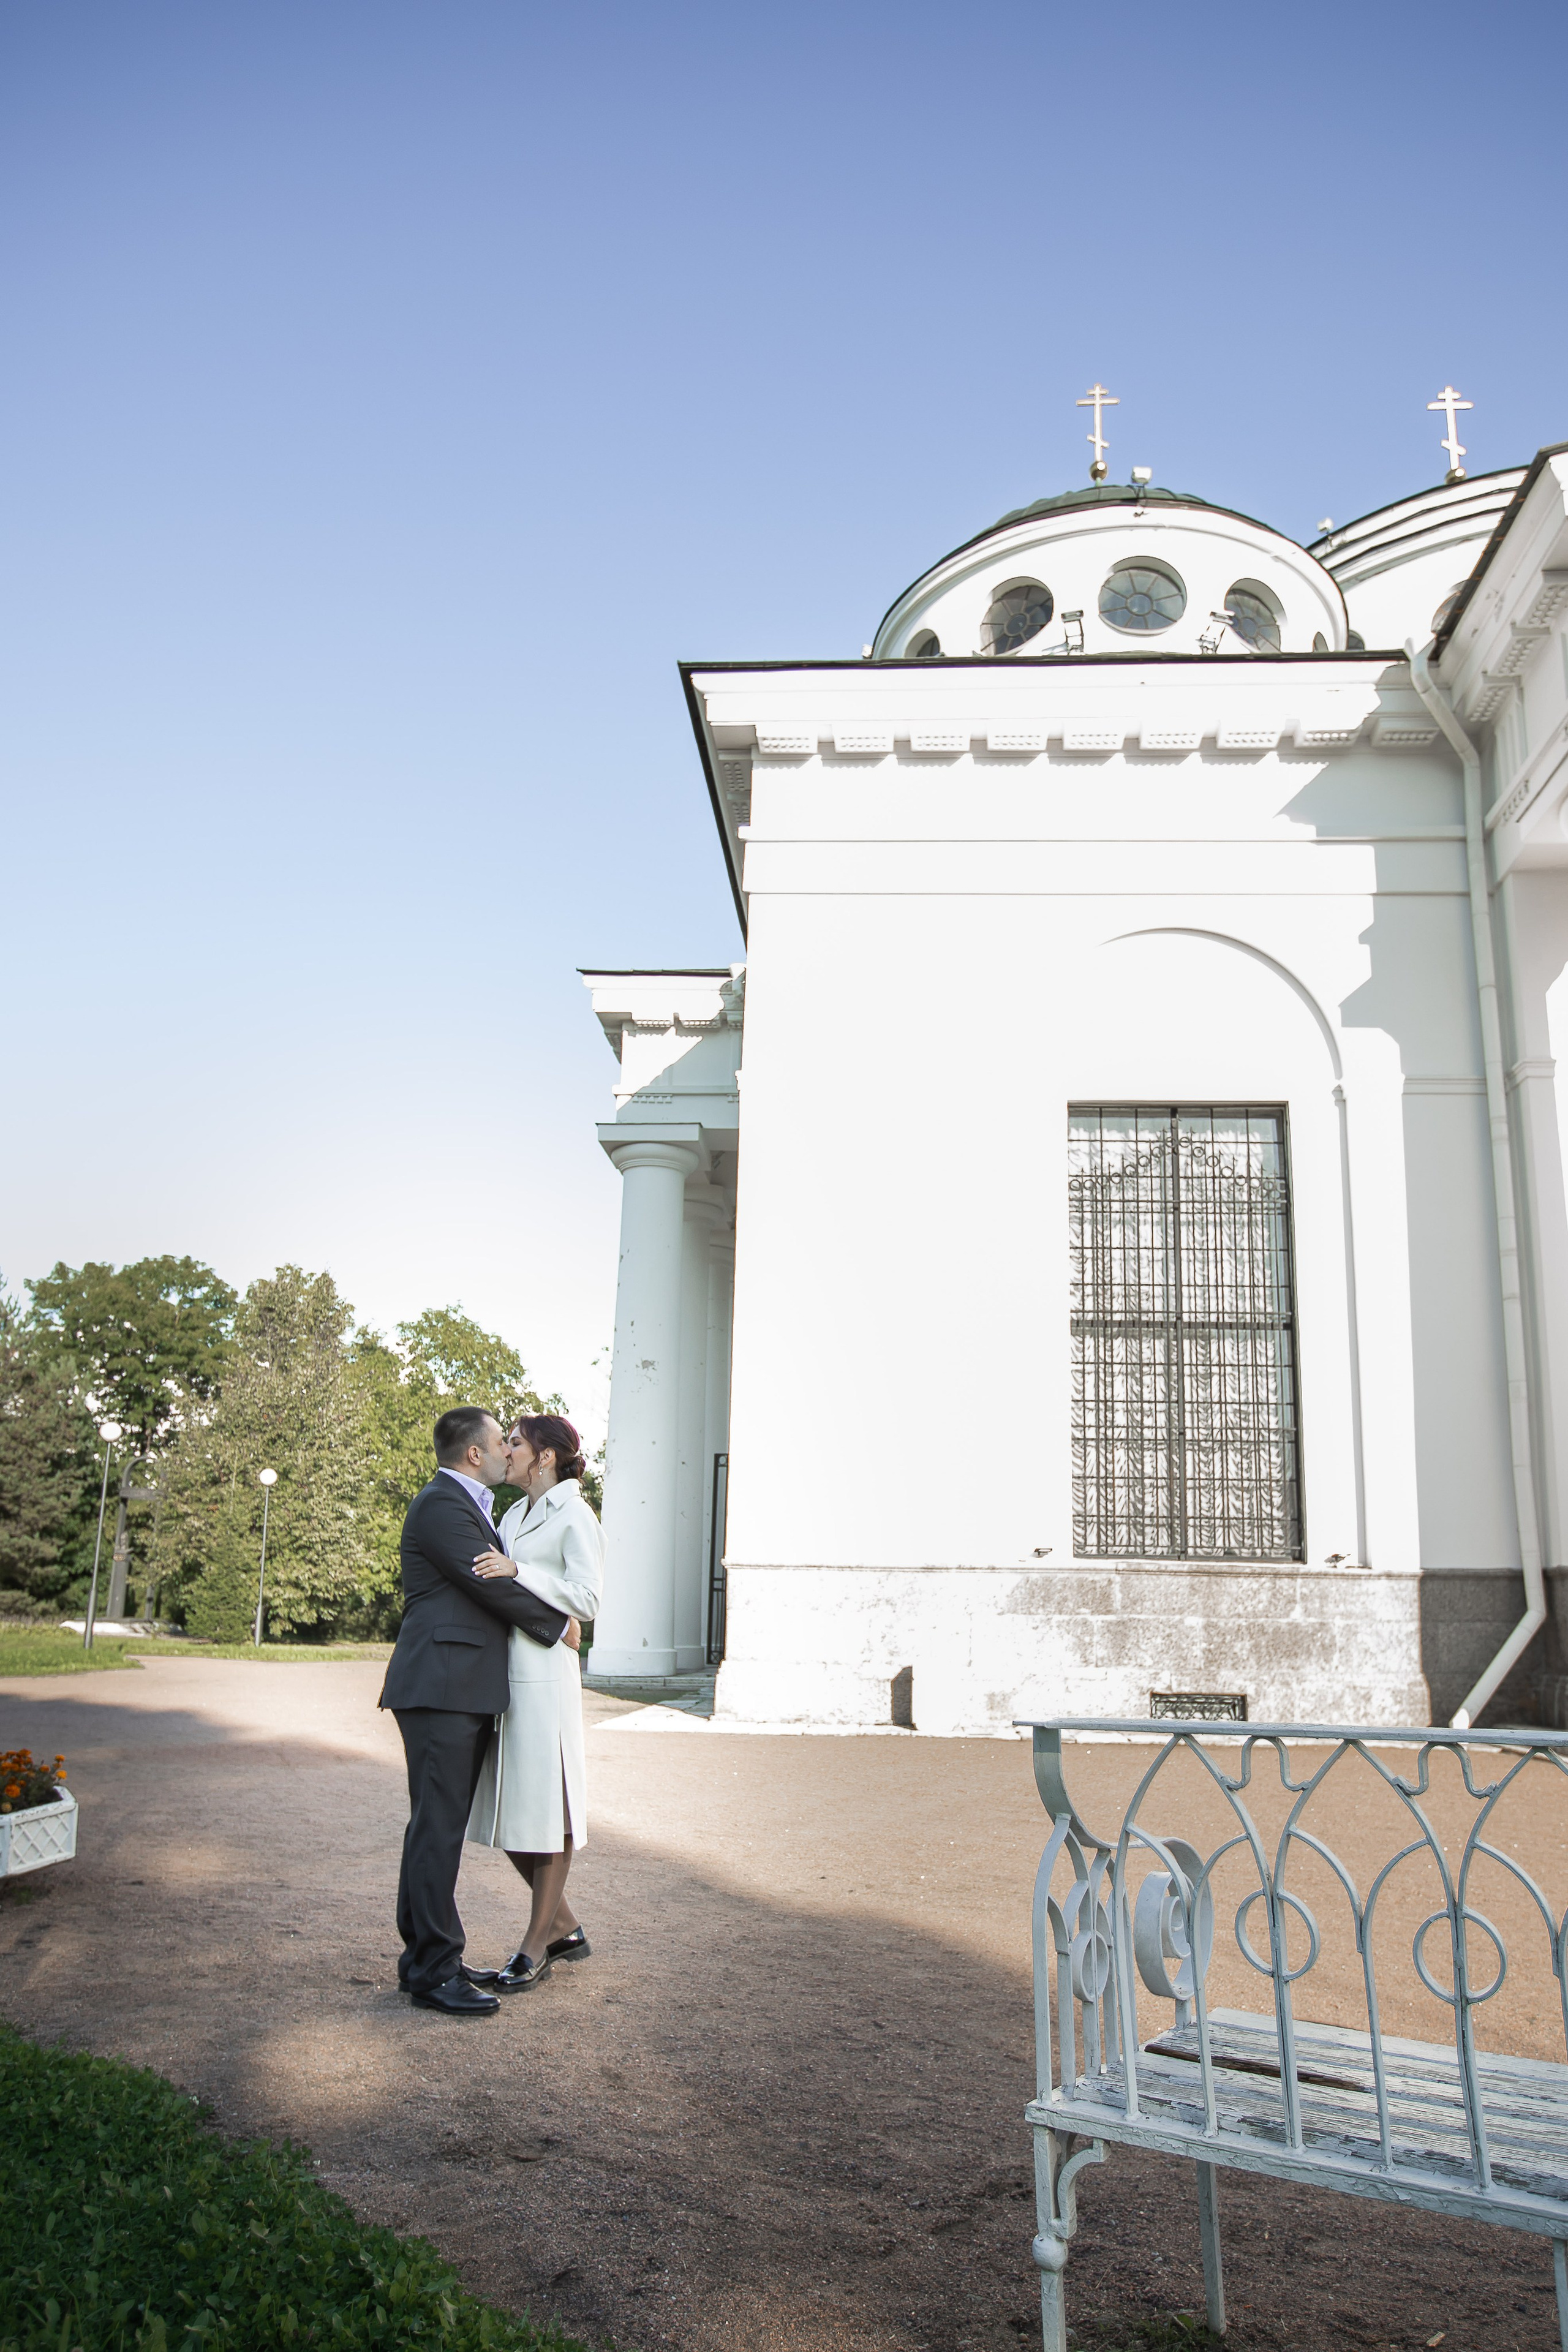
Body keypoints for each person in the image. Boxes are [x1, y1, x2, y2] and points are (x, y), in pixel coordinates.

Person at [379, 1406, 579, 2016]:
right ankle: (433, 1970)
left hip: (456, 1686)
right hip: (441, 1685)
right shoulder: (443, 1505)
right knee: (436, 1831)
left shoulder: (473, 1507)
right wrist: (559, 1625)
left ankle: (426, 1961)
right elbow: (486, 1583)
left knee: (433, 1828)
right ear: (474, 1454)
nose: (507, 1451)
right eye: (500, 1442)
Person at [464, 1412, 603, 1992]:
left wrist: (520, 1571)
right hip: (506, 1675)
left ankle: (535, 1946)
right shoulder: (513, 1513)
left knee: (549, 1811)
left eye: (516, 1443)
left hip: (547, 1680)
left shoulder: (576, 1514)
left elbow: (588, 1601)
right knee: (511, 1811)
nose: (508, 1451)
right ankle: (564, 1928)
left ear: (545, 1457)